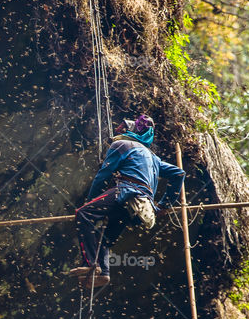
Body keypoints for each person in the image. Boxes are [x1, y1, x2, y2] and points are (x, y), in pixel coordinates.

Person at [69, 114, 185, 287]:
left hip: (126, 193)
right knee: (105, 237)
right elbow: (178, 174)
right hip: (141, 208)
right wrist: (162, 205)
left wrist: (89, 202)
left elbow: (102, 176)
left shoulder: (122, 145)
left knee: (84, 214)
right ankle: (104, 274)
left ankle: (90, 265)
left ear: (130, 132)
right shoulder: (154, 158)